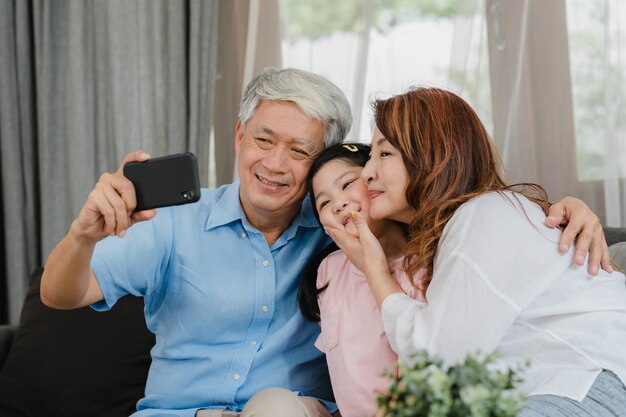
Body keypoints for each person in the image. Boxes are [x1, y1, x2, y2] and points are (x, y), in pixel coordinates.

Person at [39, 67, 609, 417]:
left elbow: (457, 218)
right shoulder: (170, 223)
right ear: (239, 136)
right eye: (264, 139)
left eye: (301, 152)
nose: (275, 164)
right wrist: (82, 235)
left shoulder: (344, 239)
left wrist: (560, 210)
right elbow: (61, 293)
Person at [327, 87, 626, 416]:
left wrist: (375, 270)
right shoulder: (473, 224)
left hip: (595, 380)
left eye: (384, 154)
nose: (368, 173)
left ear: (432, 153)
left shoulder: (483, 215)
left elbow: (435, 363)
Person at [299, 143, 428, 417]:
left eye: (347, 184)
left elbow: (422, 370)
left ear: (375, 179)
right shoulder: (328, 272)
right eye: (324, 202)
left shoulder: (426, 267)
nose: (338, 204)